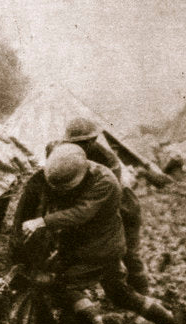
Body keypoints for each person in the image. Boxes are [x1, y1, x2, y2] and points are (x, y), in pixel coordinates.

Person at [13, 143, 175, 324]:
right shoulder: (71, 172)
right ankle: (171, 322)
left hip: (100, 247)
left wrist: (43, 222)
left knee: (69, 287)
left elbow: (82, 212)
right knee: (120, 294)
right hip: (87, 245)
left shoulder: (105, 181)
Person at [62, 117, 150, 294]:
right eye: (74, 143)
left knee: (129, 253)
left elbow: (105, 195)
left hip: (122, 208)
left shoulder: (108, 160)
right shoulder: (68, 152)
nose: (78, 147)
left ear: (93, 141)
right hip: (96, 205)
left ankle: (142, 292)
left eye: (83, 143)